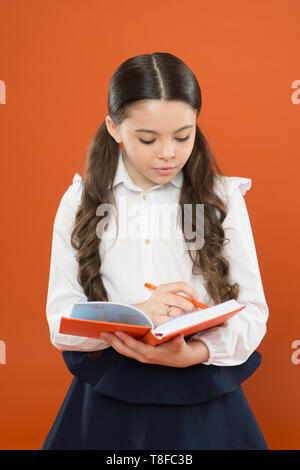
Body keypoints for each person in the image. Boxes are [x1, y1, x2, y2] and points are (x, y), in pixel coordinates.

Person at [41, 52, 269, 450]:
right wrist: (138, 314)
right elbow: (61, 322)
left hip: (204, 398)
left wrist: (195, 352)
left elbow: (253, 312)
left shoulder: (221, 198)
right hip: (109, 397)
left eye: (183, 136)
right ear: (114, 128)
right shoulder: (80, 201)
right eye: (147, 139)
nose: (168, 153)